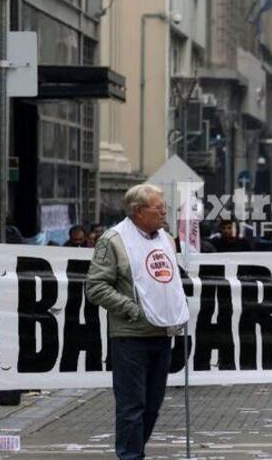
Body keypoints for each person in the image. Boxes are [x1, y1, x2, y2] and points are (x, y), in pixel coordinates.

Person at [86, 184, 189, 459]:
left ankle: (135, 452)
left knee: (152, 406)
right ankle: (130, 456)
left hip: (162, 332)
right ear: (138, 212)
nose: (164, 211)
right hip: (130, 336)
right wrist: (132, 309)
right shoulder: (113, 241)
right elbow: (95, 287)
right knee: (132, 406)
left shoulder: (166, 239)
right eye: (158, 207)